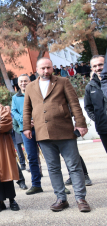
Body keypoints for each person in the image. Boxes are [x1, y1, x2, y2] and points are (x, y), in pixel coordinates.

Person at [23, 57, 91, 212]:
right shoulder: (30, 87)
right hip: (43, 133)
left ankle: (81, 198)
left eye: (48, 68)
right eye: (42, 68)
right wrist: (27, 127)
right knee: (53, 168)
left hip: (65, 131)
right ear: (37, 69)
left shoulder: (63, 82)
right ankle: (61, 198)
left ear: (52, 68)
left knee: (74, 166)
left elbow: (74, 103)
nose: (46, 71)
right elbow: (27, 109)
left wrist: (80, 123)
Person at [11, 74, 43, 195]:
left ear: (30, 81)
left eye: (25, 81)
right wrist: (25, 121)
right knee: (32, 158)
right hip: (26, 130)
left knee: (49, 156)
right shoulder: (15, 97)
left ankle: (58, 184)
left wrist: (35, 119)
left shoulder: (36, 92)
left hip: (40, 128)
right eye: (21, 82)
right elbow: (14, 111)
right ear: (18, 84)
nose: (23, 83)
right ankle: (36, 185)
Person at [84, 55, 107, 152]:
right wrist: (98, 119)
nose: (98, 68)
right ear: (92, 68)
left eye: (101, 65)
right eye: (95, 66)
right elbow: (88, 108)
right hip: (104, 128)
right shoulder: (90, 86)